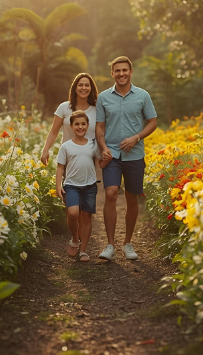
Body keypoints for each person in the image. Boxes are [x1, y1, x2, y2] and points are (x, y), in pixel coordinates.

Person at [95, 56, 157, 261]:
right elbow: (100, 127)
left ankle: (127, 243)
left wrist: (136, 137)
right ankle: (110, 245)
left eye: (125, 70)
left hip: (135, 154)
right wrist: (103, 147)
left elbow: (153, 122)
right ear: (112, 73)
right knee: (111, 193)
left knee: (132, 198)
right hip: (112, 154)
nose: (121, 74)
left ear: (131, 71)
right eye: (117, 71)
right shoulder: (103, 98)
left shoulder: (142, 96)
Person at [56, 111, 110, 262]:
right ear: (71, 126)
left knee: (86, 217)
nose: (80, 127)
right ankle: (75, 239)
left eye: (83, 124)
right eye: (77, 124)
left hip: (89, 186)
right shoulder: (66, 147)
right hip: (71, 185)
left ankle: (84, 251)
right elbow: (60, 167)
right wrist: (58, 185)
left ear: (87, 126)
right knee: (73, 213)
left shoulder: (93, 144)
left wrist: (107, 159)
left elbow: (100, 163)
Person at [40, 73, 98, 165]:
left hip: (91, 160)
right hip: (69, 159)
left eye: (87, 85)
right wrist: (45, 150)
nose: (84, 88)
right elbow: (53, 132)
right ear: (75, 88)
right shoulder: (64, 107)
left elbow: (102, 133)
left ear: (91, 89)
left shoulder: (97, 109)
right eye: (80, 85)